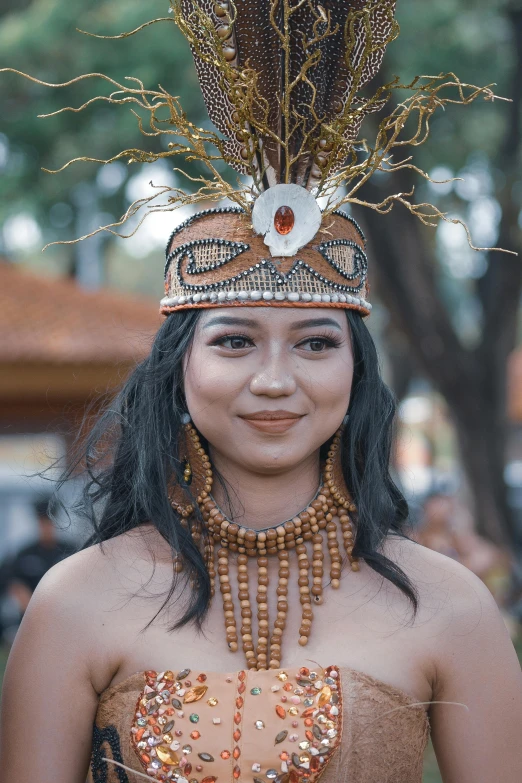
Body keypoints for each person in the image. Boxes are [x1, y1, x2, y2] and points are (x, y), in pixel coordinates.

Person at [1, 2, 522, 782]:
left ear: (358, 373)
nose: (275, 378)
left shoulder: (449, 605)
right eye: (234, 340)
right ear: (179, 370)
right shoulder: (77, 600)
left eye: (316, 342)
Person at [2, 499, 76, 617]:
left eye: (49, 522)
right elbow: (13, 582)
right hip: (31, 616)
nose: (46, 527)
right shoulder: (25, 553)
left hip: (65, 614)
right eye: (43, 522)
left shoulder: (71, 550)